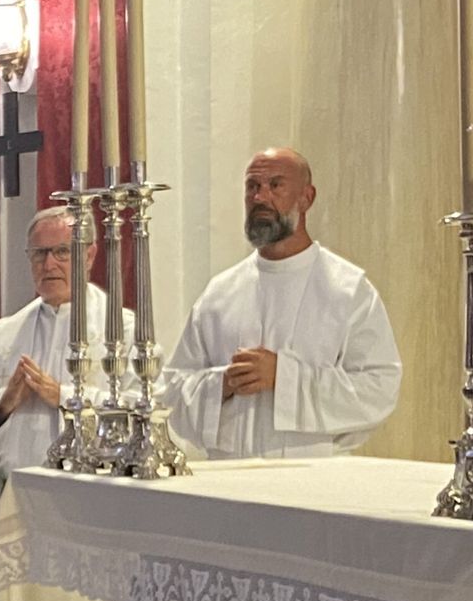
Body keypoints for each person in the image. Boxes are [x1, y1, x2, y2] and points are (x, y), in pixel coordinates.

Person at [164, 148, 402, 458]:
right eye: (253, 186)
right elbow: (170, 392)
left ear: (306, 198)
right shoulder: (220, 293)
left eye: (275, 185)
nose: (260, 197)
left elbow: (379, 389)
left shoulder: (348, 290)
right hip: (229, 484)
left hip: (312, 482)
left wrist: (284, 377)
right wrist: (221, 384)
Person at [0, 208, 132, 537]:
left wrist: (65, 396)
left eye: (61, 251)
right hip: (18, 503)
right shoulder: (4, 335)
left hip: (93, 504)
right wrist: (4, 402)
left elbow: (144, 415)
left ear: (88, 254)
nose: (48, 265)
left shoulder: (122, 331)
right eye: (39, 254)